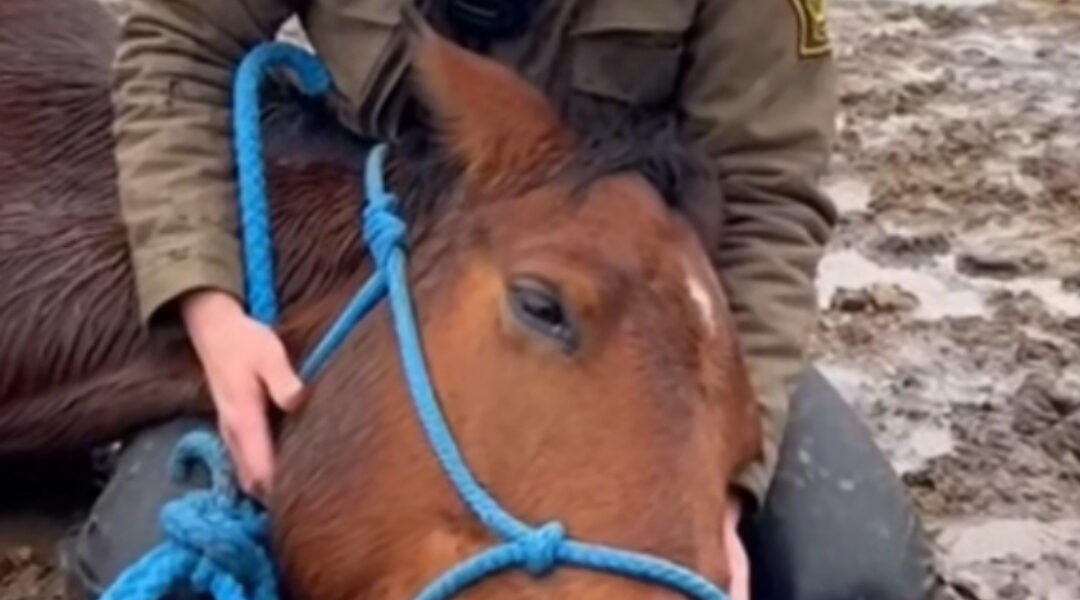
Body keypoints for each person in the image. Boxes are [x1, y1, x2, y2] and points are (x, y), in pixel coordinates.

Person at [60, 0, 935, 598]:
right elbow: (181, 47)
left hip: (636, 306)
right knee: (151, 553)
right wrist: (210, 308)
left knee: (853, 570)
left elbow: (766, 195)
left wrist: (721, 475)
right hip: (365, 259)